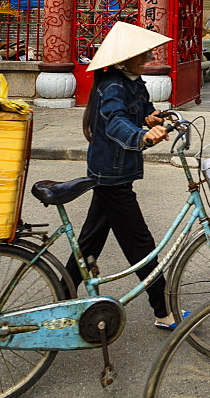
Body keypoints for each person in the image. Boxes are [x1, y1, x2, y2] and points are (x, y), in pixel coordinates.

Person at [64, 21, 181, 330]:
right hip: (111, 174)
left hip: (115, 173)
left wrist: (152, 118)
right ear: (124, 57)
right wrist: (142, 136)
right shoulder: (112, 85)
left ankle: (61, 294)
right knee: (140, 243)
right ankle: (163, 309)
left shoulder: (133, 80)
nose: (146, 58)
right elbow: (116, 122)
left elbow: (141, 109)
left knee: (89, 242)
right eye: (141, 54)